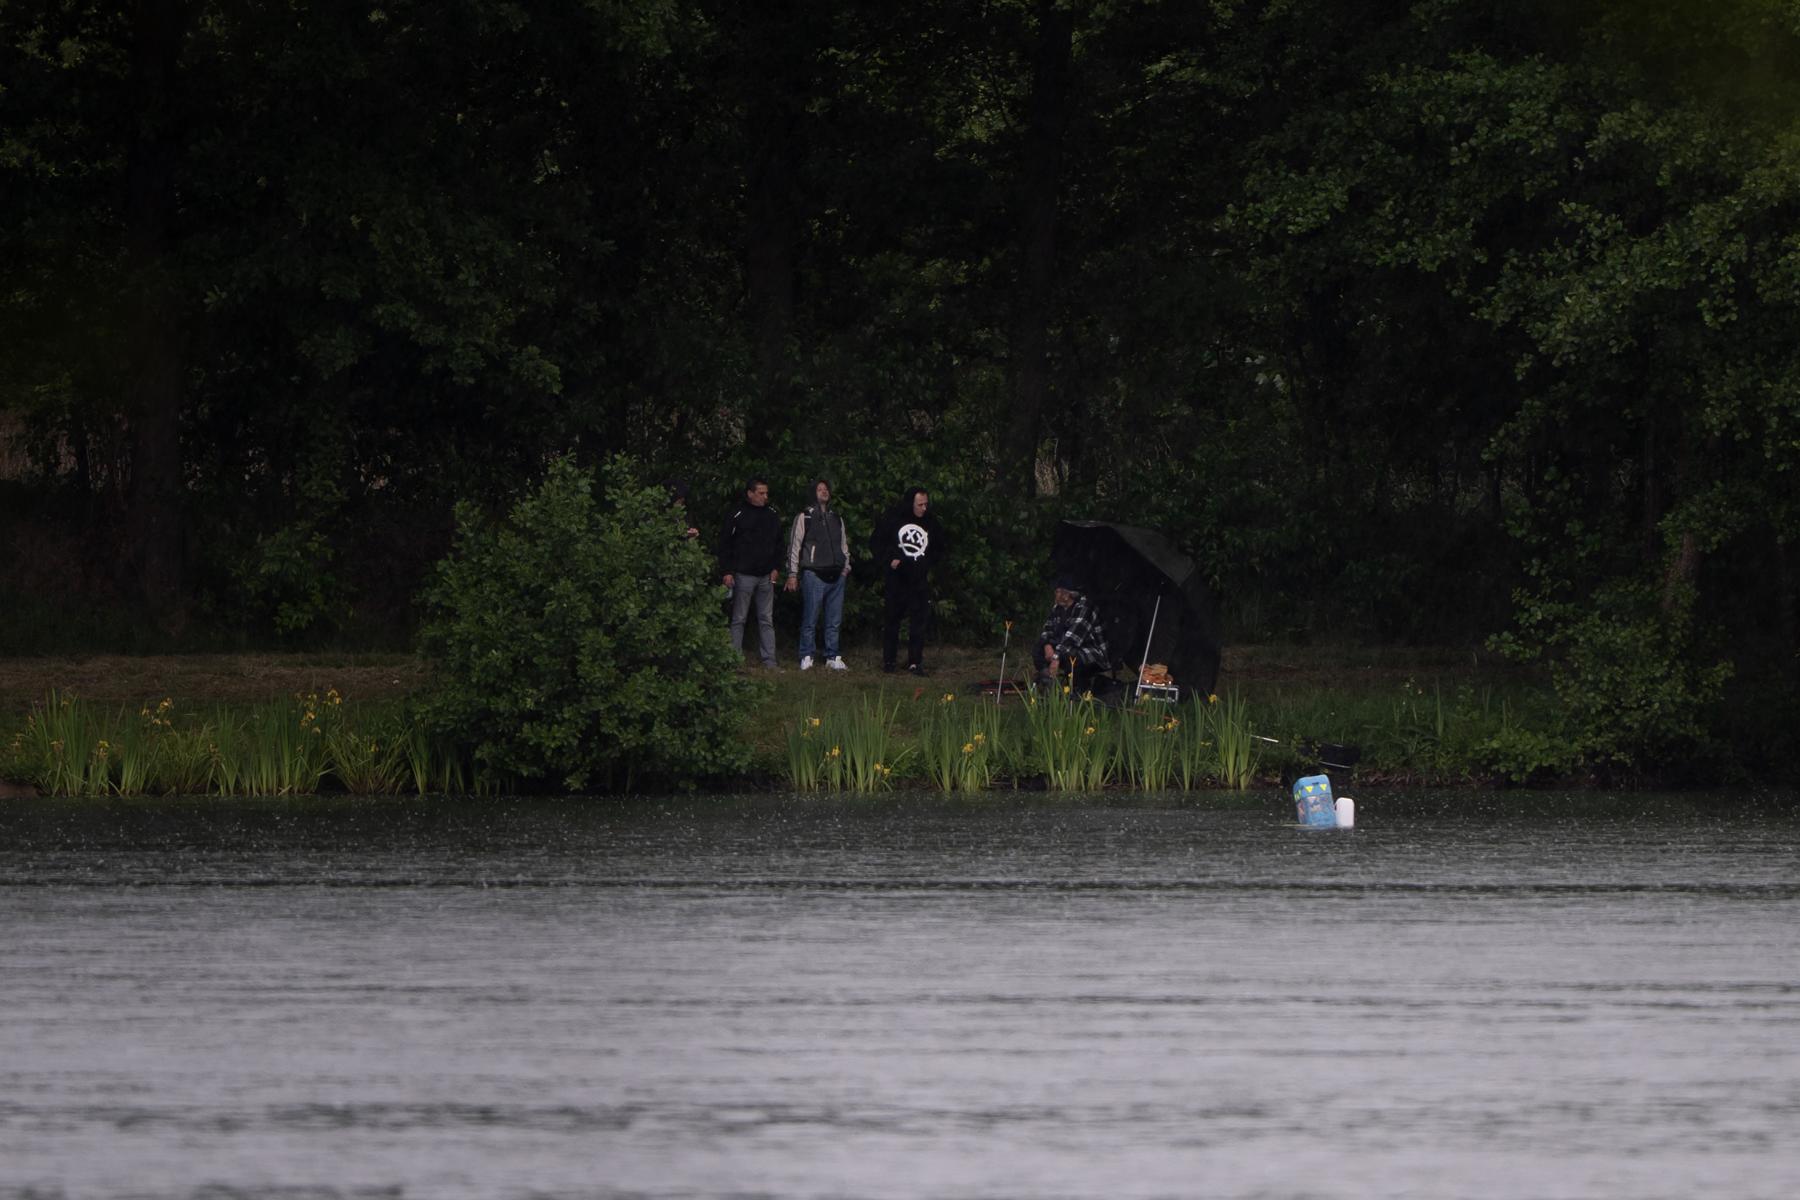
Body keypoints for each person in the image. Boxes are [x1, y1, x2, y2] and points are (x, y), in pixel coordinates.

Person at [870, 487, 944, 675]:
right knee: (892, 620)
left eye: (926, 504)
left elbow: (939, 548)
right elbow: (877, 542)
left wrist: (927, 563)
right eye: (920, 505)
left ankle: (915, 662)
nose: (924, 508)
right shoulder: (894, 518)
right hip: (897, 579)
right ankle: (889, 661)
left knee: (918, 622)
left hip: (918, 579)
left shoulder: (930, 522)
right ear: (911, 503)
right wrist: (889, 559)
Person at [784, 477, 851, 670]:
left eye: (826, 488)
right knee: (810, 618)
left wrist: (845, 567)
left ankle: (832, 655)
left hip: (837, 574)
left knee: (834, 620)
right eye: (820, 489)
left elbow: (843, 545)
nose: (824, 491)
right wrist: (792, 573)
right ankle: (807, 655)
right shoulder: (804, 517)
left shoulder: (836, 518)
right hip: (813, 573)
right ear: (813, 492)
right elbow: (795, 546)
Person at [717, 478, 783, 670]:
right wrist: (727, 571)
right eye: (761, 493)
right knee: (739, 618)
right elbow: (725, 544)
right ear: (750, 493)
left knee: (766, 618)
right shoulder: (737, 514)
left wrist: (776, 567)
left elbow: (779, 543)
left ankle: (770, 660)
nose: (765, 497)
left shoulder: (772, 515)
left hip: (766, 575)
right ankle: (734, 660)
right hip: (743, 574)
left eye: (766, 493)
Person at [1034, 574, 1112, 693]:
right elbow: (1047, 628)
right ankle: (1047, 680)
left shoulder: (1085, 607)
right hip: (1066, 647)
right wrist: (1047, 645)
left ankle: (1078, 689)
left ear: (1066, 595)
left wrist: (1056, 656)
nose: (1055, 594)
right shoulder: (1058, 607)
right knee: (1038, 649)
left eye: (1058, 591)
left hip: (1091, 651)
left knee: (1070, 655)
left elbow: (1073, 638)